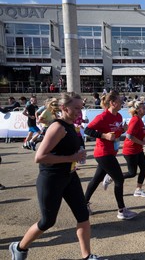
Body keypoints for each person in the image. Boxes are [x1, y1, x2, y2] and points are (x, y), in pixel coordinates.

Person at [9, 92, 102, 260]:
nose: (79, 112)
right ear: (63, 108)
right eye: (76, 108)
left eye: (81, 108)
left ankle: (87, 256)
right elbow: (40, 157)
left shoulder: (71, 126)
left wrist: (77, 154)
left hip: (70, 176)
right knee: (48, 221)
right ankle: (19, 247)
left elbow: (64, 150)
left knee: (83, 216)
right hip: (51, 179)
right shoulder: (57, 127)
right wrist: (72, 157)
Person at [84, 91, 136, 220]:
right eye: (120, 101)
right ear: (113, 103)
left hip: (111, 152)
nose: (122, 103)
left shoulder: (118, 116)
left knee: (96, 179)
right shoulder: (102, 117)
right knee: (119, 179)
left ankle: (83, 204)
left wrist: (122, 130)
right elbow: (87, 130)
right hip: (103, 153)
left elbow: (115, 135)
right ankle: (121, 210)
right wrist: (103, 135)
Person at [103, 101, 145, 197]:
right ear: (137, 110)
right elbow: (129, 135)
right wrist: (142, 142)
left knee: (144, 168)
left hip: (138, 149)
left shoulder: (140, 119)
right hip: (130, 151)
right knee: (132, 173)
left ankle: (138, 190)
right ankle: (111, 177)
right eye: (143, 107)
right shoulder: (135, 120)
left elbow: (138, 134)